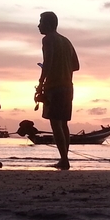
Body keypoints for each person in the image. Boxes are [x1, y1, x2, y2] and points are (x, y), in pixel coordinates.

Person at [35, 11, 79, 170]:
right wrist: (63, 68)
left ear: (48, 24)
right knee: (64, 124)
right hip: (68, 86)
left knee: (56, 124)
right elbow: (76, 66)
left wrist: (41, 83)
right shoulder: (66, 41)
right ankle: (64, 158)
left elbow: (48, 62)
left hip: (55, 87)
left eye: (40, 22)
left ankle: (64, 159)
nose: (38, 25)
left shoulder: (48, 40)